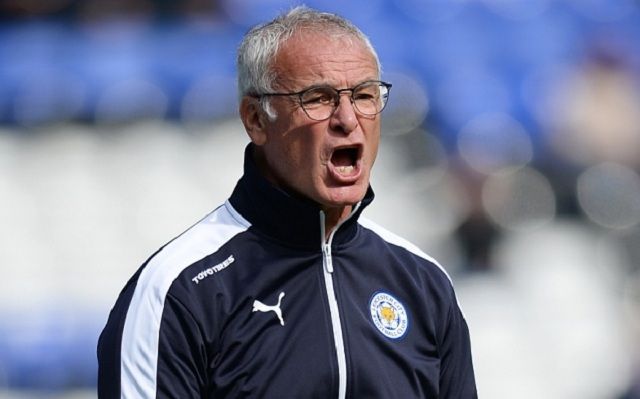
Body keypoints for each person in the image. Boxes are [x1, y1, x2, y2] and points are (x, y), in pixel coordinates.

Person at [97, 6, 477, 398]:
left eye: (364, 95)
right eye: (319, 98)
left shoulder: (423, 283)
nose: (348, 118)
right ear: (256, 119)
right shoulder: (178, 291)